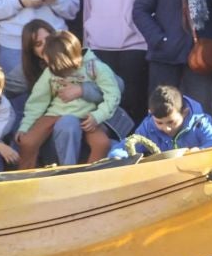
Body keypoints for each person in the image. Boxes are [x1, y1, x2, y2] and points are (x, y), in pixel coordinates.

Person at [14, 30, 128, 167]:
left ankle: (89, 176)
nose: (55, 70)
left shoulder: (95, 68)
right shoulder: (51, 70)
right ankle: (26, 176)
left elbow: (113, 94)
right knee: (28, 141)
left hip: (85, 117)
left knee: (102, 144)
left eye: (59, 66)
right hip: (54, 114)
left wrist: (97, 116)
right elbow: (37, 101)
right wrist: (26, 126)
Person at [130, 83, 212, 152]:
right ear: (151, 114)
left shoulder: (199, 123)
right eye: (159, 123)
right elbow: (128, 145)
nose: (166, 128)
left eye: (171, 122)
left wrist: (200, 150)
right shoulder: (148, 127)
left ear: (184, 113)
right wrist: (117, 156)